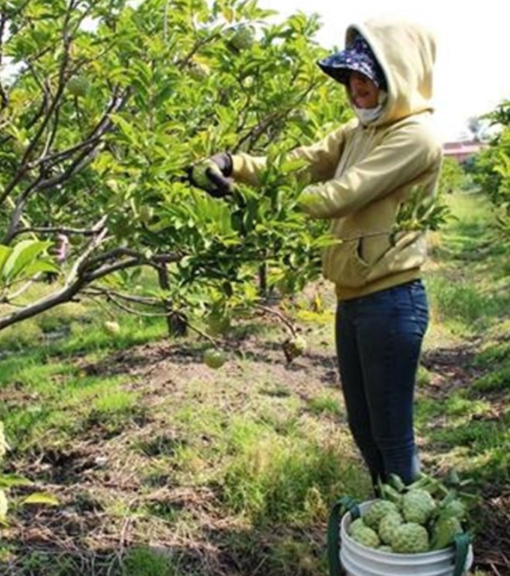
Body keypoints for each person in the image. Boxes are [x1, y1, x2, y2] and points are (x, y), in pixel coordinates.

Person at [186, 16, 443, 491]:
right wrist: (233, 164)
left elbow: (341, 194)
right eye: (351, 77)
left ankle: (413, 547)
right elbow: (301, 164)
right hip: (353, 297)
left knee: (392, 435)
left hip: (391, 300)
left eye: (368, 75)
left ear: (399, 72)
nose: (356, 87)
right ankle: (387, 516)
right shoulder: (358, 131)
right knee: (364, 430)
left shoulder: (415, 137)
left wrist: (248, 201)